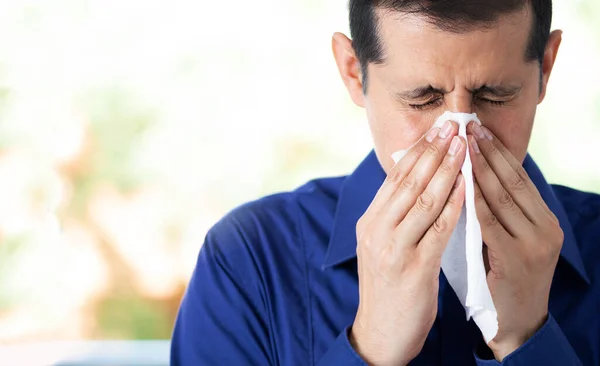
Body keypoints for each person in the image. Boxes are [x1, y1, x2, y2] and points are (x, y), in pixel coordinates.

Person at [171, 1, 600, 365]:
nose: (459, 137)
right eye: (422, 97)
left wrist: (529, 340)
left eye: (495, 95)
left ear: (545, 67)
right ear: (354, 71)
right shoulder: (251, 262)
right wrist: (372, 346)